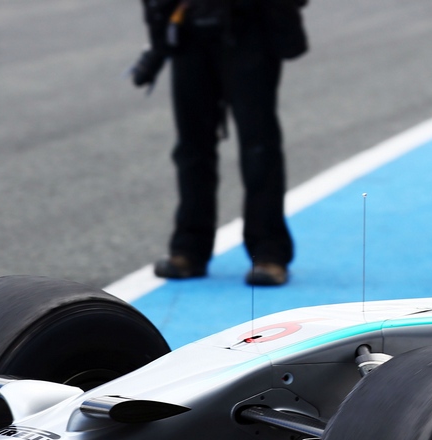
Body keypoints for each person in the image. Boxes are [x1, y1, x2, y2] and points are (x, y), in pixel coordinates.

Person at [131, 0, 307, 287]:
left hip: (248, 27)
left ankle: (269, 253)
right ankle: (188, 250)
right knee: (191, 147)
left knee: (259, 148)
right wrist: (159, 37)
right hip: (188, 28)